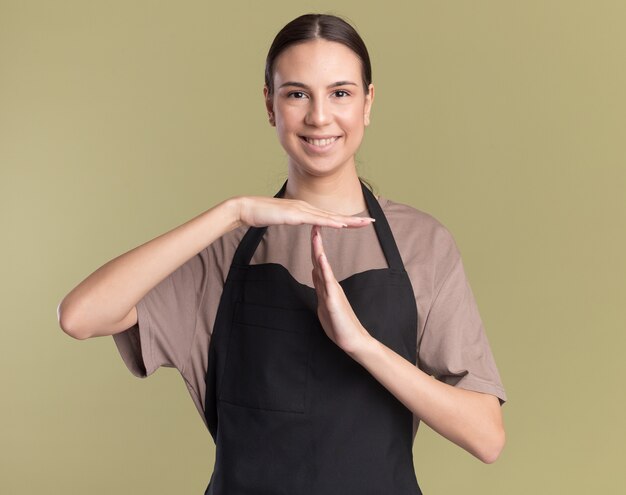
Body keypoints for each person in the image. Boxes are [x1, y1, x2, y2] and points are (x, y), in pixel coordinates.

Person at [58, 13, 507, 494]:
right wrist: (233, 213)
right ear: (270, 105)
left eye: (340, 93)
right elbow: (80, 316)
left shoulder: (423, 244)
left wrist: (362, 345)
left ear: (367, 103)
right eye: (296, 94)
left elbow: (486, 437)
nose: (319, 116)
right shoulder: (225, 251)